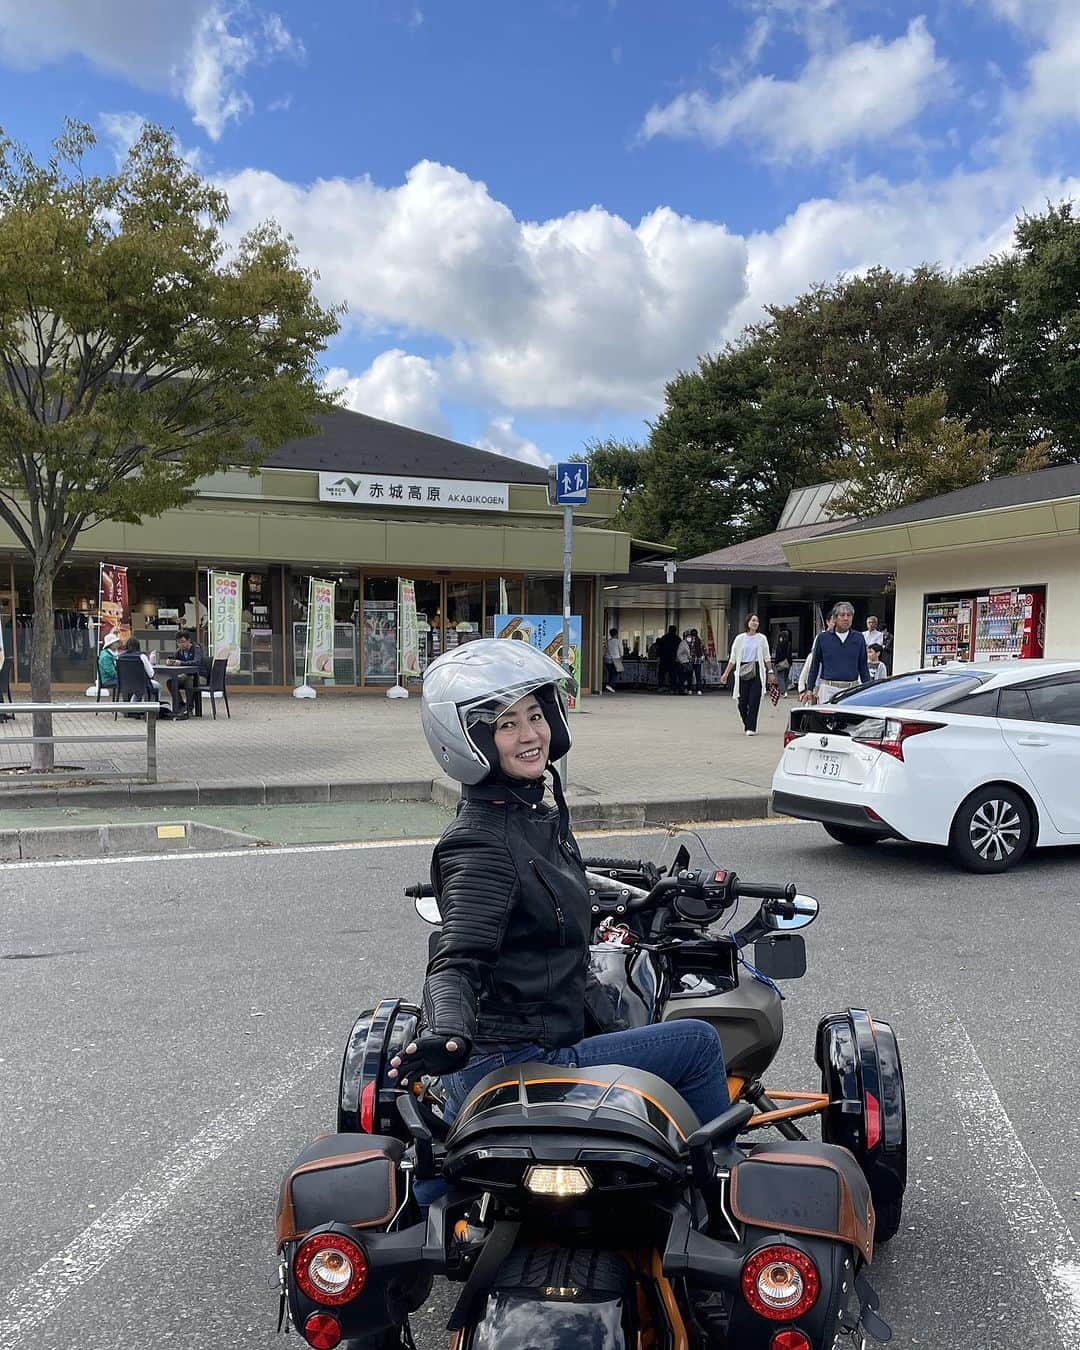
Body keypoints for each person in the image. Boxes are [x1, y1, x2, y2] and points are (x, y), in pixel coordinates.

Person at [388, 640, 730, 1131]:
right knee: (699, 1042)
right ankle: (719, 1181)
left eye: (536, 715)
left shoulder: (529, 816)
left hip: (526, 1050)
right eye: (507, 724)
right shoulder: (482, 842)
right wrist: (450, 1033)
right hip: (518, 1064)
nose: (531, 734)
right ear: (468, 740)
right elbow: (456, 958)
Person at [801, 602, 869, 704]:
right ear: (835, 618)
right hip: (828, 688)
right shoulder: (822, 638)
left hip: (851, 689)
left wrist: (868, 688)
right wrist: (810, 688)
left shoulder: (859, 638)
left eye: (849, 615)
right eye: (842, 615)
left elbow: (863, 667)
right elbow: (814, 666)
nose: (846, 618)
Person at [719, 614, 775, 734]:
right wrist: (725, 674)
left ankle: (751, 727)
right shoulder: (740, 639)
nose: (755, 623)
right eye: (753, 620)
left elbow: (767, 657)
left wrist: (770, 672)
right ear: (748, 622)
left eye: (757, 621)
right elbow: (733, 658)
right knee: (742, 702)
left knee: (754, 700)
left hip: (757, 670)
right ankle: (747, 723)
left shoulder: (762, 639)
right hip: (742, 671)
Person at [117, 637, 165, 705]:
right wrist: (150, 663)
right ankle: (152, 709)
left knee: (138, 691)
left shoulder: (120, 657)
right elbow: (151, 674)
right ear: (138, 646)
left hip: (124, 684)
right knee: (158, 686)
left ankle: (132, 708)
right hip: (141, 685)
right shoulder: (141, 656)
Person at [655, 624, 681, 693]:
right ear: (675, 631)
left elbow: (659, 648)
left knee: (662, 673)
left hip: (664, 659)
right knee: (673, 674)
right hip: (673, 659)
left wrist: (658, 656)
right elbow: (679, 650)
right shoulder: (677, 639)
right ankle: (673, 688)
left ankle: (661, 686)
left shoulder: (664, 638)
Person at [774, 625, 792, 695]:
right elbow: (789, 654)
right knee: (786, 677)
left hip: (780, 663)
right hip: (788, 663)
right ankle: (786, 690)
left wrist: (776, 663)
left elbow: (778, 655)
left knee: (780, 677)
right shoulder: (789, 644)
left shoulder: (779, 645)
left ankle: (783, 691)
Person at [603, 627, 622, 693]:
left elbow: (604, 651)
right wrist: (621, 658)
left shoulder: (607, 642)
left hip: (607, 659)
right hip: (616, 659)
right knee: (615, 673)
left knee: (610, 673)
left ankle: (610, 686)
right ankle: (610, 685)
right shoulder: (618, 641)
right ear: (616, 634)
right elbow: (621, 651)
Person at [687, 628, 706, 695]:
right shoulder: (700, 641)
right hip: (698, 661)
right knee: (698, 676)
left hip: (691, 661)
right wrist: (702, 658)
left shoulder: (689, 641)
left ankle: (689, 689)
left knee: (690, 676)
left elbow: (688, 650)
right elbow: (704, 650)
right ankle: (699, 690)